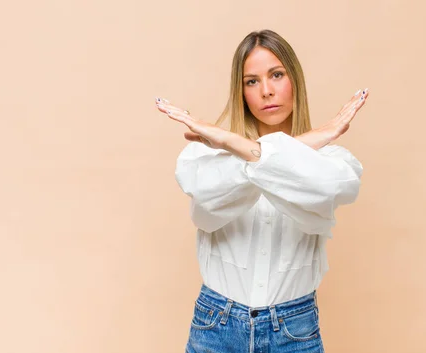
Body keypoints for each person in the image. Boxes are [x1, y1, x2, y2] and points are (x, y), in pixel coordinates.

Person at [155, 29, 369, 353]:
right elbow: (206, 204)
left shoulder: (330, 160)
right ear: (240, 91)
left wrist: (235, 144)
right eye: (251, 81)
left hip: (295, 331)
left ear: (294, 79)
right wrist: (300, 143)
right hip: (216, 327)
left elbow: (336, 187)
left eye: (277, 75)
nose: (266, 91)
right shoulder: (205, 154)